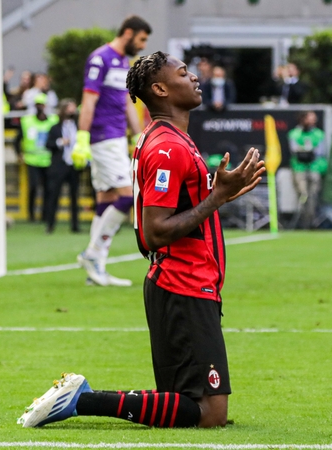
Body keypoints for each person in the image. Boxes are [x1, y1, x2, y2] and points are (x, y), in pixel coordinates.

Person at [17, 51, 265, 430]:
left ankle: (82, 399)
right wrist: (216, 198)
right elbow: (154, 231)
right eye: (184, 74)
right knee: (209, 414)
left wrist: (221, 191)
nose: (195, 78)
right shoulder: (168, 148)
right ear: (161, 88)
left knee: (187, 405)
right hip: (183, 285)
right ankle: (82, 399)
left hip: (182, 285)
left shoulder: (170, 139)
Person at [71, 15, 150, 287]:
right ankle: (93, 254)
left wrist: (138, 134)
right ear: (128, 32)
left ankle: (96, 270)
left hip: (117, 138)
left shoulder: (123, 62)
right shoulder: (100, 58)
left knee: (105, 197)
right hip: (103, 137)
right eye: (140, 39)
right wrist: (82, 137)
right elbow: (88, 100)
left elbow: (129, 103)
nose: (141, 46)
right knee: (128, 195)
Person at [15, 93, 59, 223]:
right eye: (38, 104)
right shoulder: (27, 121)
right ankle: (31, 215)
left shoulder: (53, 120)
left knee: (48, 188)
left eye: (42, 104)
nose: (40, 107)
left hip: (48, 159)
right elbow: (18, 139)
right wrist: (19, 153)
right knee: (33, 187)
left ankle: (45, 215)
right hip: (32, 159)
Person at [45, 99, 82, 234]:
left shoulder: (78, 127)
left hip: (74, 165)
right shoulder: (55, 128)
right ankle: (50, 225)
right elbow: (48, 144)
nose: (72, 111)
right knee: (54, 195)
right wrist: (60, 142)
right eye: (69, 108)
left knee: (75, 196)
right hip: (59, 166)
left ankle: (75, 225)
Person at [288, 111, 327, 229]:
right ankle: (303, 222)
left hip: (315, 168)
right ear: (303, 119)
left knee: (313, 196)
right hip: (299, 168)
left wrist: (305, 151)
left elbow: (320, 151)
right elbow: (295, 150)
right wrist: (308, 151)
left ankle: (312, 221)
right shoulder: (294, 133)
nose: (313, 121)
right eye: (310, 119)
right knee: (303, 194)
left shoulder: (319, 134)